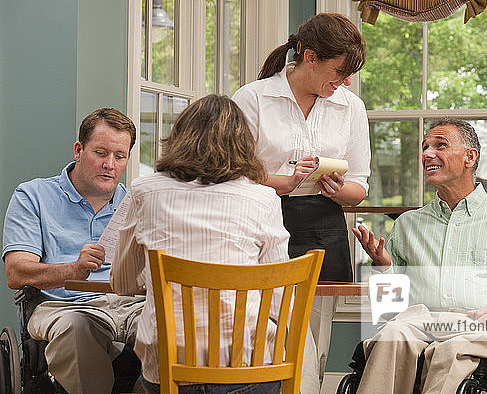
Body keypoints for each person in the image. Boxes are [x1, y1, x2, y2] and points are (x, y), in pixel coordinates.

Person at [352, 118, 487, 394]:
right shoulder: (408, 224)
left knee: (450, 350)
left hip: (479, 328)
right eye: (425, 147)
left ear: (469, 157)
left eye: (440, 145)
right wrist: (383, 268)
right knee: (391, 335)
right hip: (419, 321)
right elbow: (387, 311)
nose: (428, 154)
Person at [109, 94, 290, 394]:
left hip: (169, 372)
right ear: (244, 144)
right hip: (249, 370)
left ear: (180, 137)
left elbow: (123, 283)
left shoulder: (145, 191)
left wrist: (160, 280)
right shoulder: (263, 199)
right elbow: (280, 298)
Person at [232, 12, 371, 390]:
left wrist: (336, 189)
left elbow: (360, 186)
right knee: (264, 332)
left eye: (347, 76)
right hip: (262, 221)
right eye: (338, 72)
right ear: (310, 58)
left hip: (325, 225)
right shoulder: (253, 98)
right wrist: (285, 180)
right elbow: (229, 172)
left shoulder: (350, 106)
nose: (342, 83)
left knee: (318, 342)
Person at [2, 108, 144, 394]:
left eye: (120, 156)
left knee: (175, 327)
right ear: (79, 150)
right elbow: (15, 272)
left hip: (129, 305)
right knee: (77, 328)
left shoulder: (136, 203)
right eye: (100, 153)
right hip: (65, 306)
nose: (110, 165)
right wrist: (73, 270)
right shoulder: (34, 196)